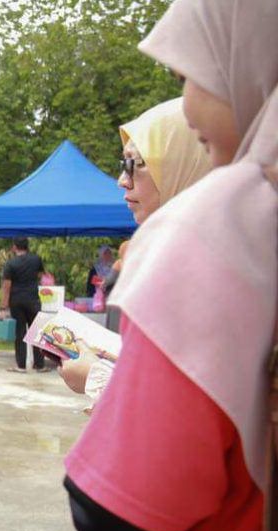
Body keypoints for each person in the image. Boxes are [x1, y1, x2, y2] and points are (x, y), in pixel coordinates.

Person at [63, 0, 278, 531]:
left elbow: (117, 516)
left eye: (196, 71)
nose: (186, 104)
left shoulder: (225, 228)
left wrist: (109, 394)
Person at [60, 97, 212, 399]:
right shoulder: (184, 250)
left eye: (135, 164)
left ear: (181, 165)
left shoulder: (203, 267)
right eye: (123, 165)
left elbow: (183, 403)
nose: (122, 181)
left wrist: (97, 378)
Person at [0, 237, 47, 372]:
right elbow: (40, 275)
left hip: (17, 301)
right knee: (36, 332)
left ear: (15, 247)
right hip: (33, 300)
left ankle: (21, 365)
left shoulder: (10, 264)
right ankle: (39, 364)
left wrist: (3, 306)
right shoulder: (36, 259)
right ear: (27, 246)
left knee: (20, 333)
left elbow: (7, 287)